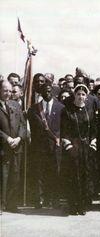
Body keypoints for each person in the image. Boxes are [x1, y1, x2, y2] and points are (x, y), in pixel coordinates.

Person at [60, 84, 97, 215]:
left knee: (85, 176)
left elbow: (93, 130)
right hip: (73, 147)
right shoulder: (67, 111)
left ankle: (82, 205)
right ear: (74, 95)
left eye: (83, 94)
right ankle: (73, 205)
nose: (80, 96)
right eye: (78, 94)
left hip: (86, 147)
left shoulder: (89, 111)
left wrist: (92, 143)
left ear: (86, 96)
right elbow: (64, 131)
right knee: (73, 176)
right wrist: (69, 146)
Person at [27, 83, 65, 208]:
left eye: (49, 91)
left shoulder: (61, 108)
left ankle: (53, 199)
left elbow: (63, 128)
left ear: (53, 92)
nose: (47, 94)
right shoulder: (33, 109)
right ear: (41, 93)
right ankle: (39, 200)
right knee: (39, 173)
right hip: (39, 146)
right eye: (45, 91)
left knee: (54, 173)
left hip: (55, 145)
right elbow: (32, 129)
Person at [0, 80, 26, 212]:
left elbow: (22, 124)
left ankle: (11, 204)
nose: (8, 94)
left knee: (15, 176)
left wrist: (19, 138)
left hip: (16, 146)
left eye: (10, 91)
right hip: (3, 147)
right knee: (2, 176)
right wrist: (7, 138)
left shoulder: (15, 104)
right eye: (5, 90)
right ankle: (1, 204)